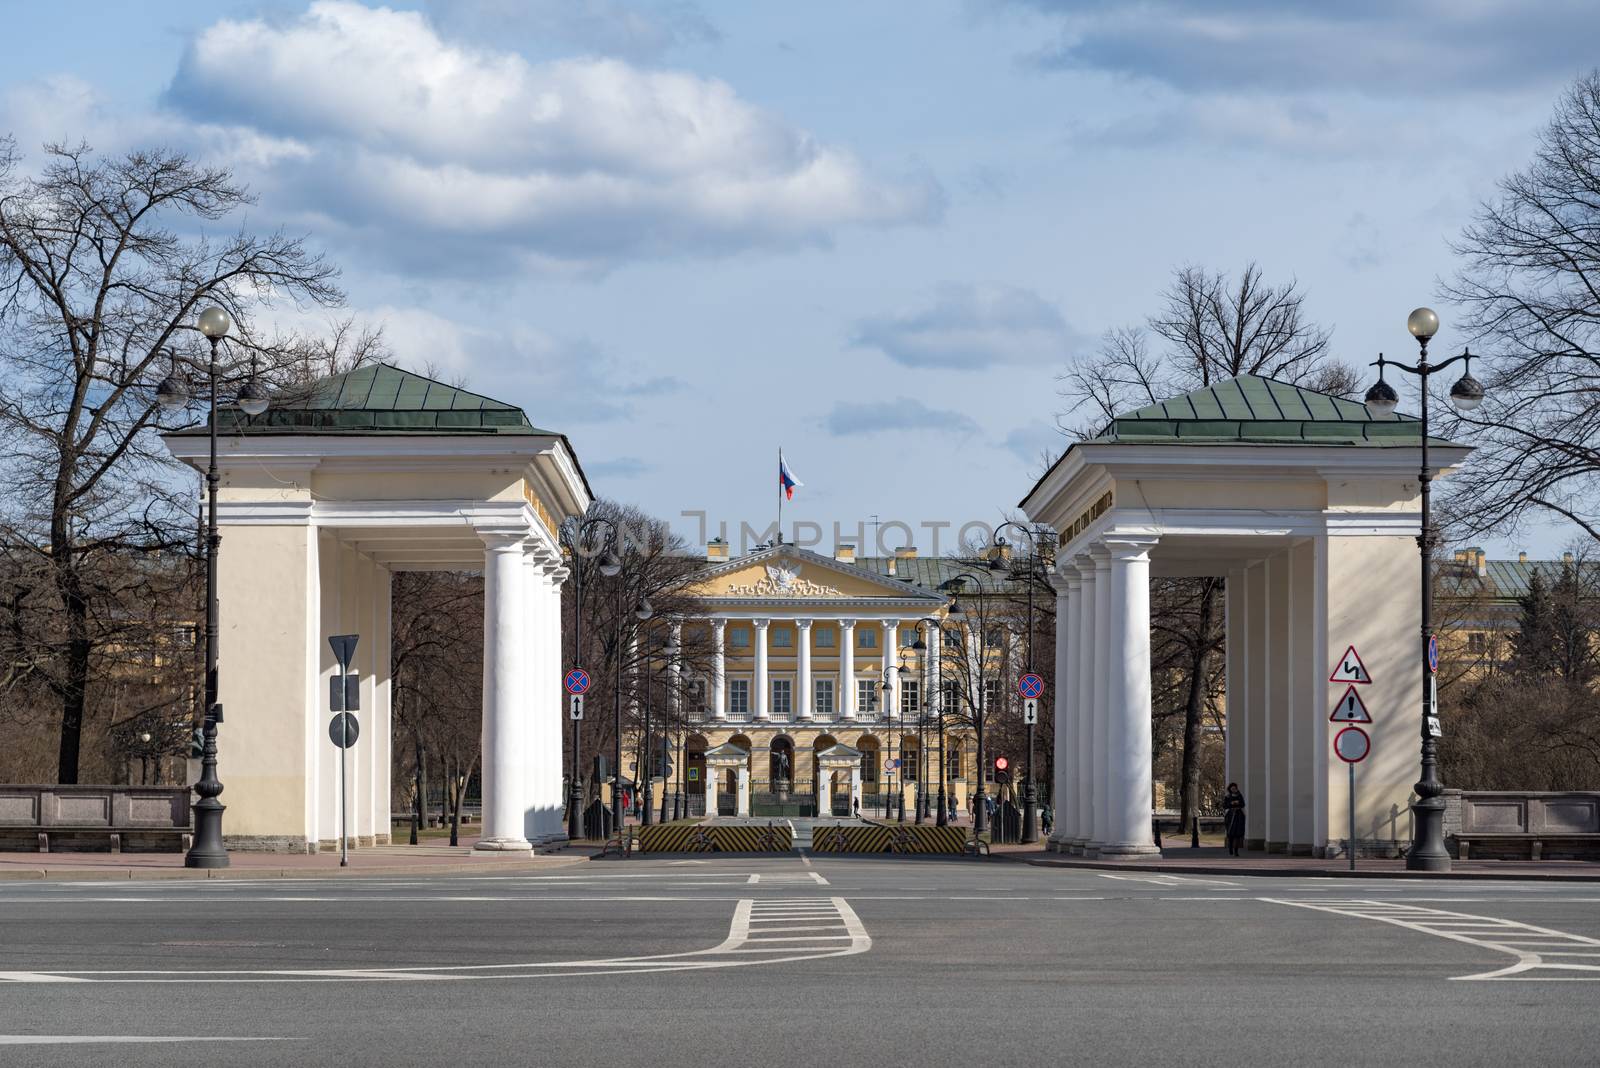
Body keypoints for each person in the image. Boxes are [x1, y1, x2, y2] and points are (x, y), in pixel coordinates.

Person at [1222, 783, 1246, 856]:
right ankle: (1230, 848)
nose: (1234, 790)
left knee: (1238, 834)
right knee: (1231, 833)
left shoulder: (1239, 795)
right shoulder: (1228, 797)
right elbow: (1225, 806)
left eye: (1235, 788)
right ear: (1230, 789)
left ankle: (1236, 850)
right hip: (1231, 815)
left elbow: (1243, 804)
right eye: (1232, 788)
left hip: (1238, 815)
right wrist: (1231, 803)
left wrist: (1238, 803)